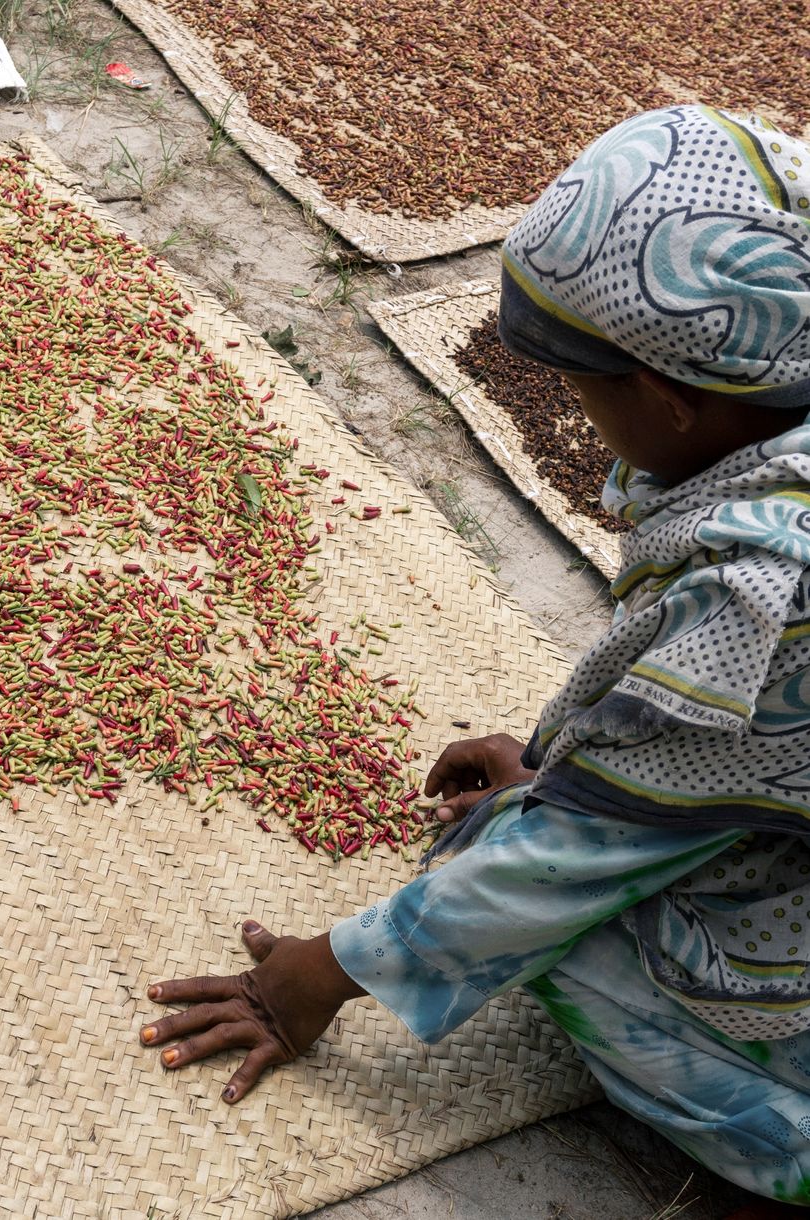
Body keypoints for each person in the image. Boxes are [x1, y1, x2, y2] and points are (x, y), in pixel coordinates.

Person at [139, 104, 810, 1211]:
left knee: (536, 906)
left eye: (580, 387)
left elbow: (565, 868)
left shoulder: (771, 590)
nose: (579, 414)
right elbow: (738, 745)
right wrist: (578, 757)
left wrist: (318, 973)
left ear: (668, 397)